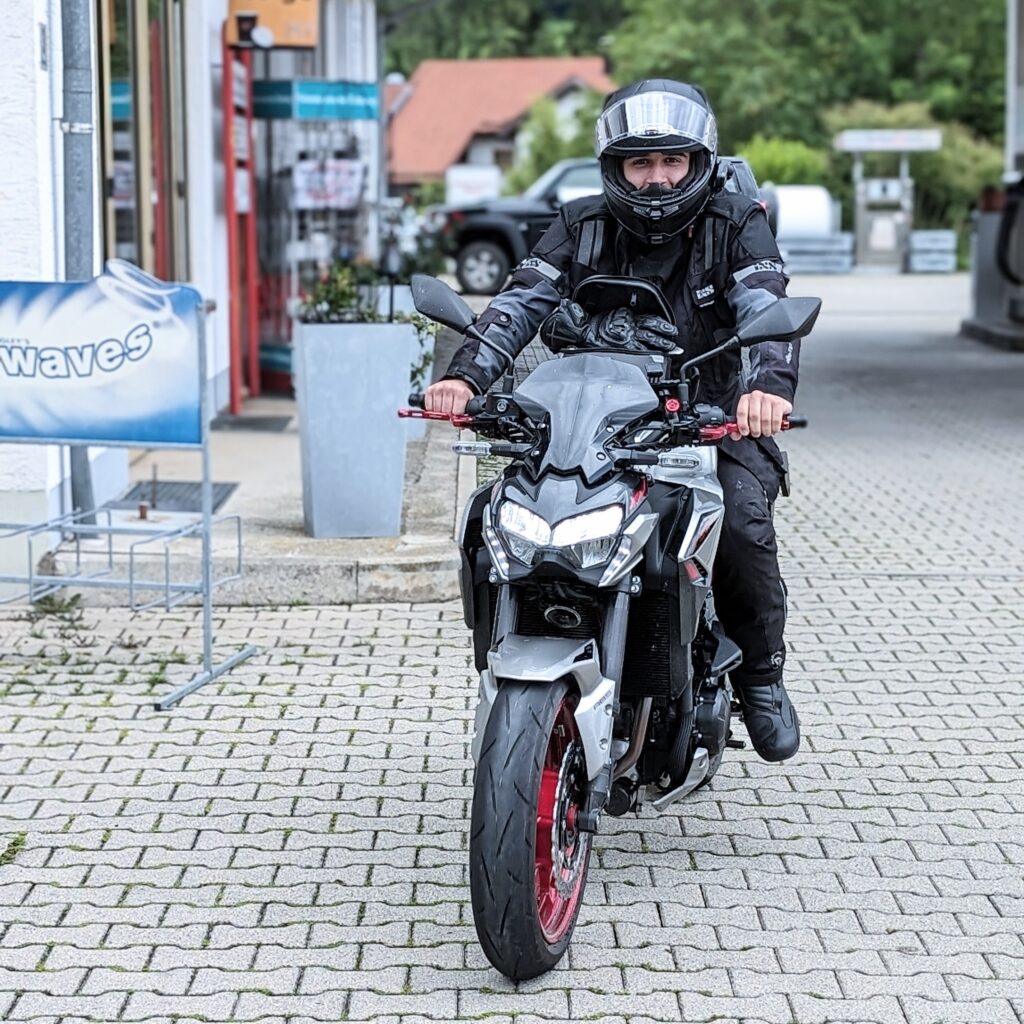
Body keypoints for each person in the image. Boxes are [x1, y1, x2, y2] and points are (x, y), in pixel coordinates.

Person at [425, 79, 801, 762]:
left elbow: (764, 307)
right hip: (587, 419)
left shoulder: (737, 221)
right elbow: (521, 301)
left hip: (708, 419)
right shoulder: (580, 222)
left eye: (672, 163)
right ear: (615, 168)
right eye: (640, 164)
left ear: (698, 163)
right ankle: (513, 664)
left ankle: (761, 675)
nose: (657, 181)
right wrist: (464, 376)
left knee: (742, 524)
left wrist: (766, 390)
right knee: (493, 518)